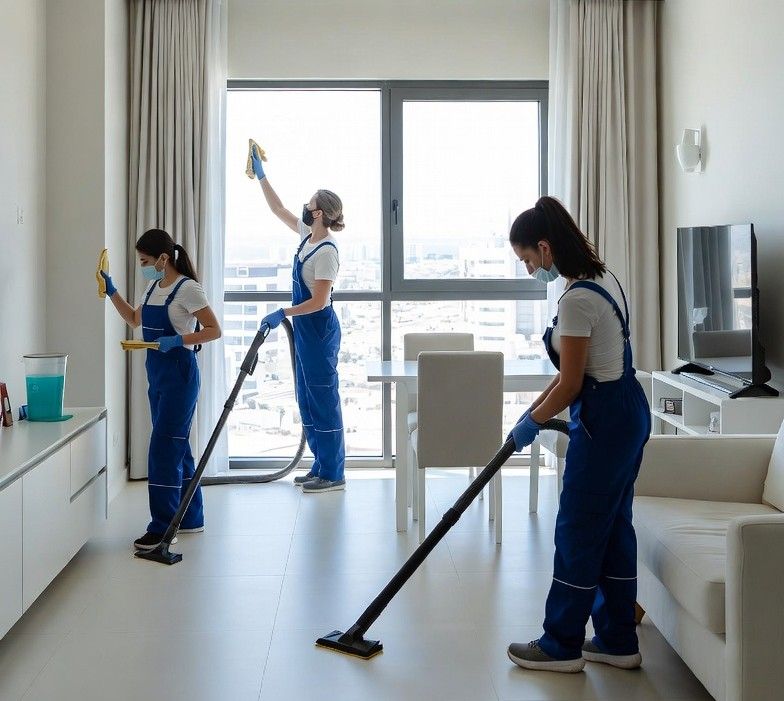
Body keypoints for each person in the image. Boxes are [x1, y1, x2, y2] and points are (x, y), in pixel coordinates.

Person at [505, 197, 651, 673]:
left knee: (578, 527)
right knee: (611, 526)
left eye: (528, 260)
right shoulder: (600, 279)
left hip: (606, 420)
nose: (530, 271)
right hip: (628, 409)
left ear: (545, 248)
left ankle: (561, 643)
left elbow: (571, 383)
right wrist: (534, 412)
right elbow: (574, 373)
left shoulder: (577, 301)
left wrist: (534, 421)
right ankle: (616, 638)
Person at [99, 230, 222, 550]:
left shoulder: (188, 289)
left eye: (145, 261)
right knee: (178, 446)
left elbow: (213, 330)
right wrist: (111, 292)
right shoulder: (152, 286)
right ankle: (192, 517)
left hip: (180, 374)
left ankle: (163, 527)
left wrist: (179, 339)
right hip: (156, 374)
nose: (142, 266)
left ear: (164, 259)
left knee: (163, 449)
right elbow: (135, 319)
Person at [250, 146, 346, 493]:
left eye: (308, 205)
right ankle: (320, 465)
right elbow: (277, 208)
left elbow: (319, 301)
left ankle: (334, 473)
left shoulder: (327, 252)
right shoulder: (307, 238)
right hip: (305, 331)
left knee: (323, 399)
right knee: (305, 397)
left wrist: (283, 313)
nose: (303, 209)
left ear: (318, 213)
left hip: (319, 331)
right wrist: (261, 174)